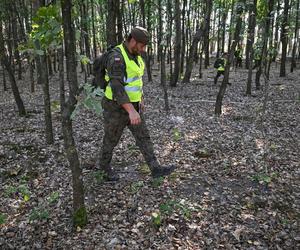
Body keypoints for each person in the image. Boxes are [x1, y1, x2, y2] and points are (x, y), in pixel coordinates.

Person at [96, 26, 176, 181]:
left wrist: (141, 99)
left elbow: (135, 81)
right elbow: (117, 86)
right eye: (142, 45)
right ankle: (104, 168)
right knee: (111, 139)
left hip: (134, 105)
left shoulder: (136, 56)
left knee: (143, 136)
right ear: (132, 40)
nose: (143, 49)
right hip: (115, 107)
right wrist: (131, 110)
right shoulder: (116, 57)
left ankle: (155, 168)